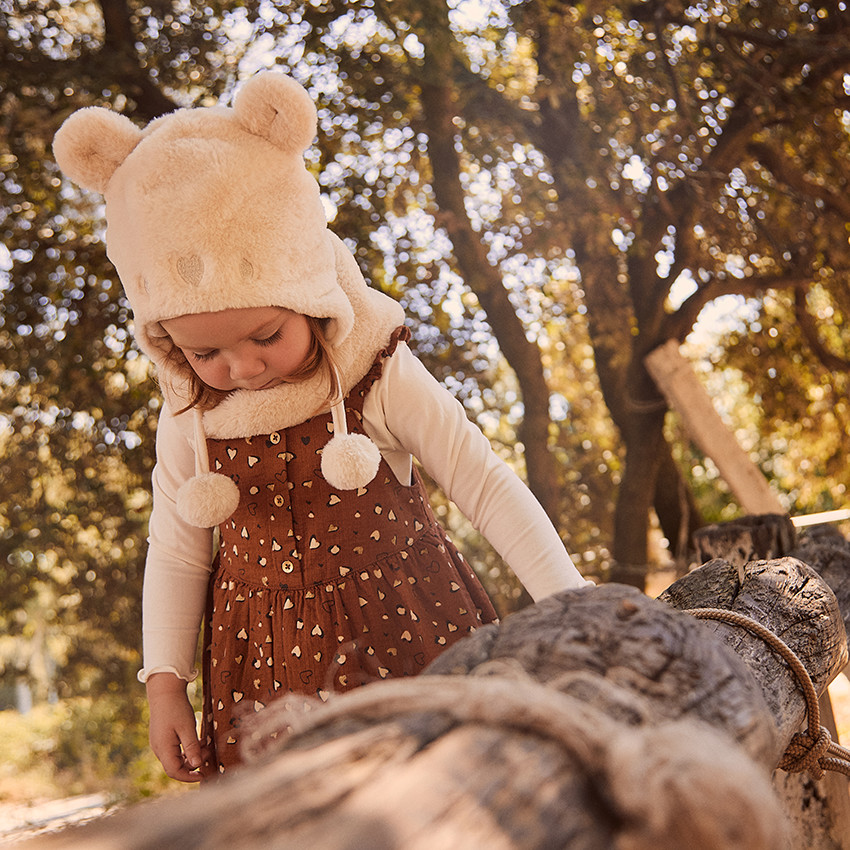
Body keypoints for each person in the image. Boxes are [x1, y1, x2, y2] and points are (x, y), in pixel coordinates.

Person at [52, 71, 592, 781]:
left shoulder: (377, 371)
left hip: (412, 636)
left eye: (265, 335)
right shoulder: (189, 412)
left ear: (308, 296)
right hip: (262, 668)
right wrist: (164, 683)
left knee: (447, 802)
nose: (242, 367)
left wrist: (578, 608)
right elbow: (179, 550)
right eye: (204, 351)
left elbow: (482, 483)